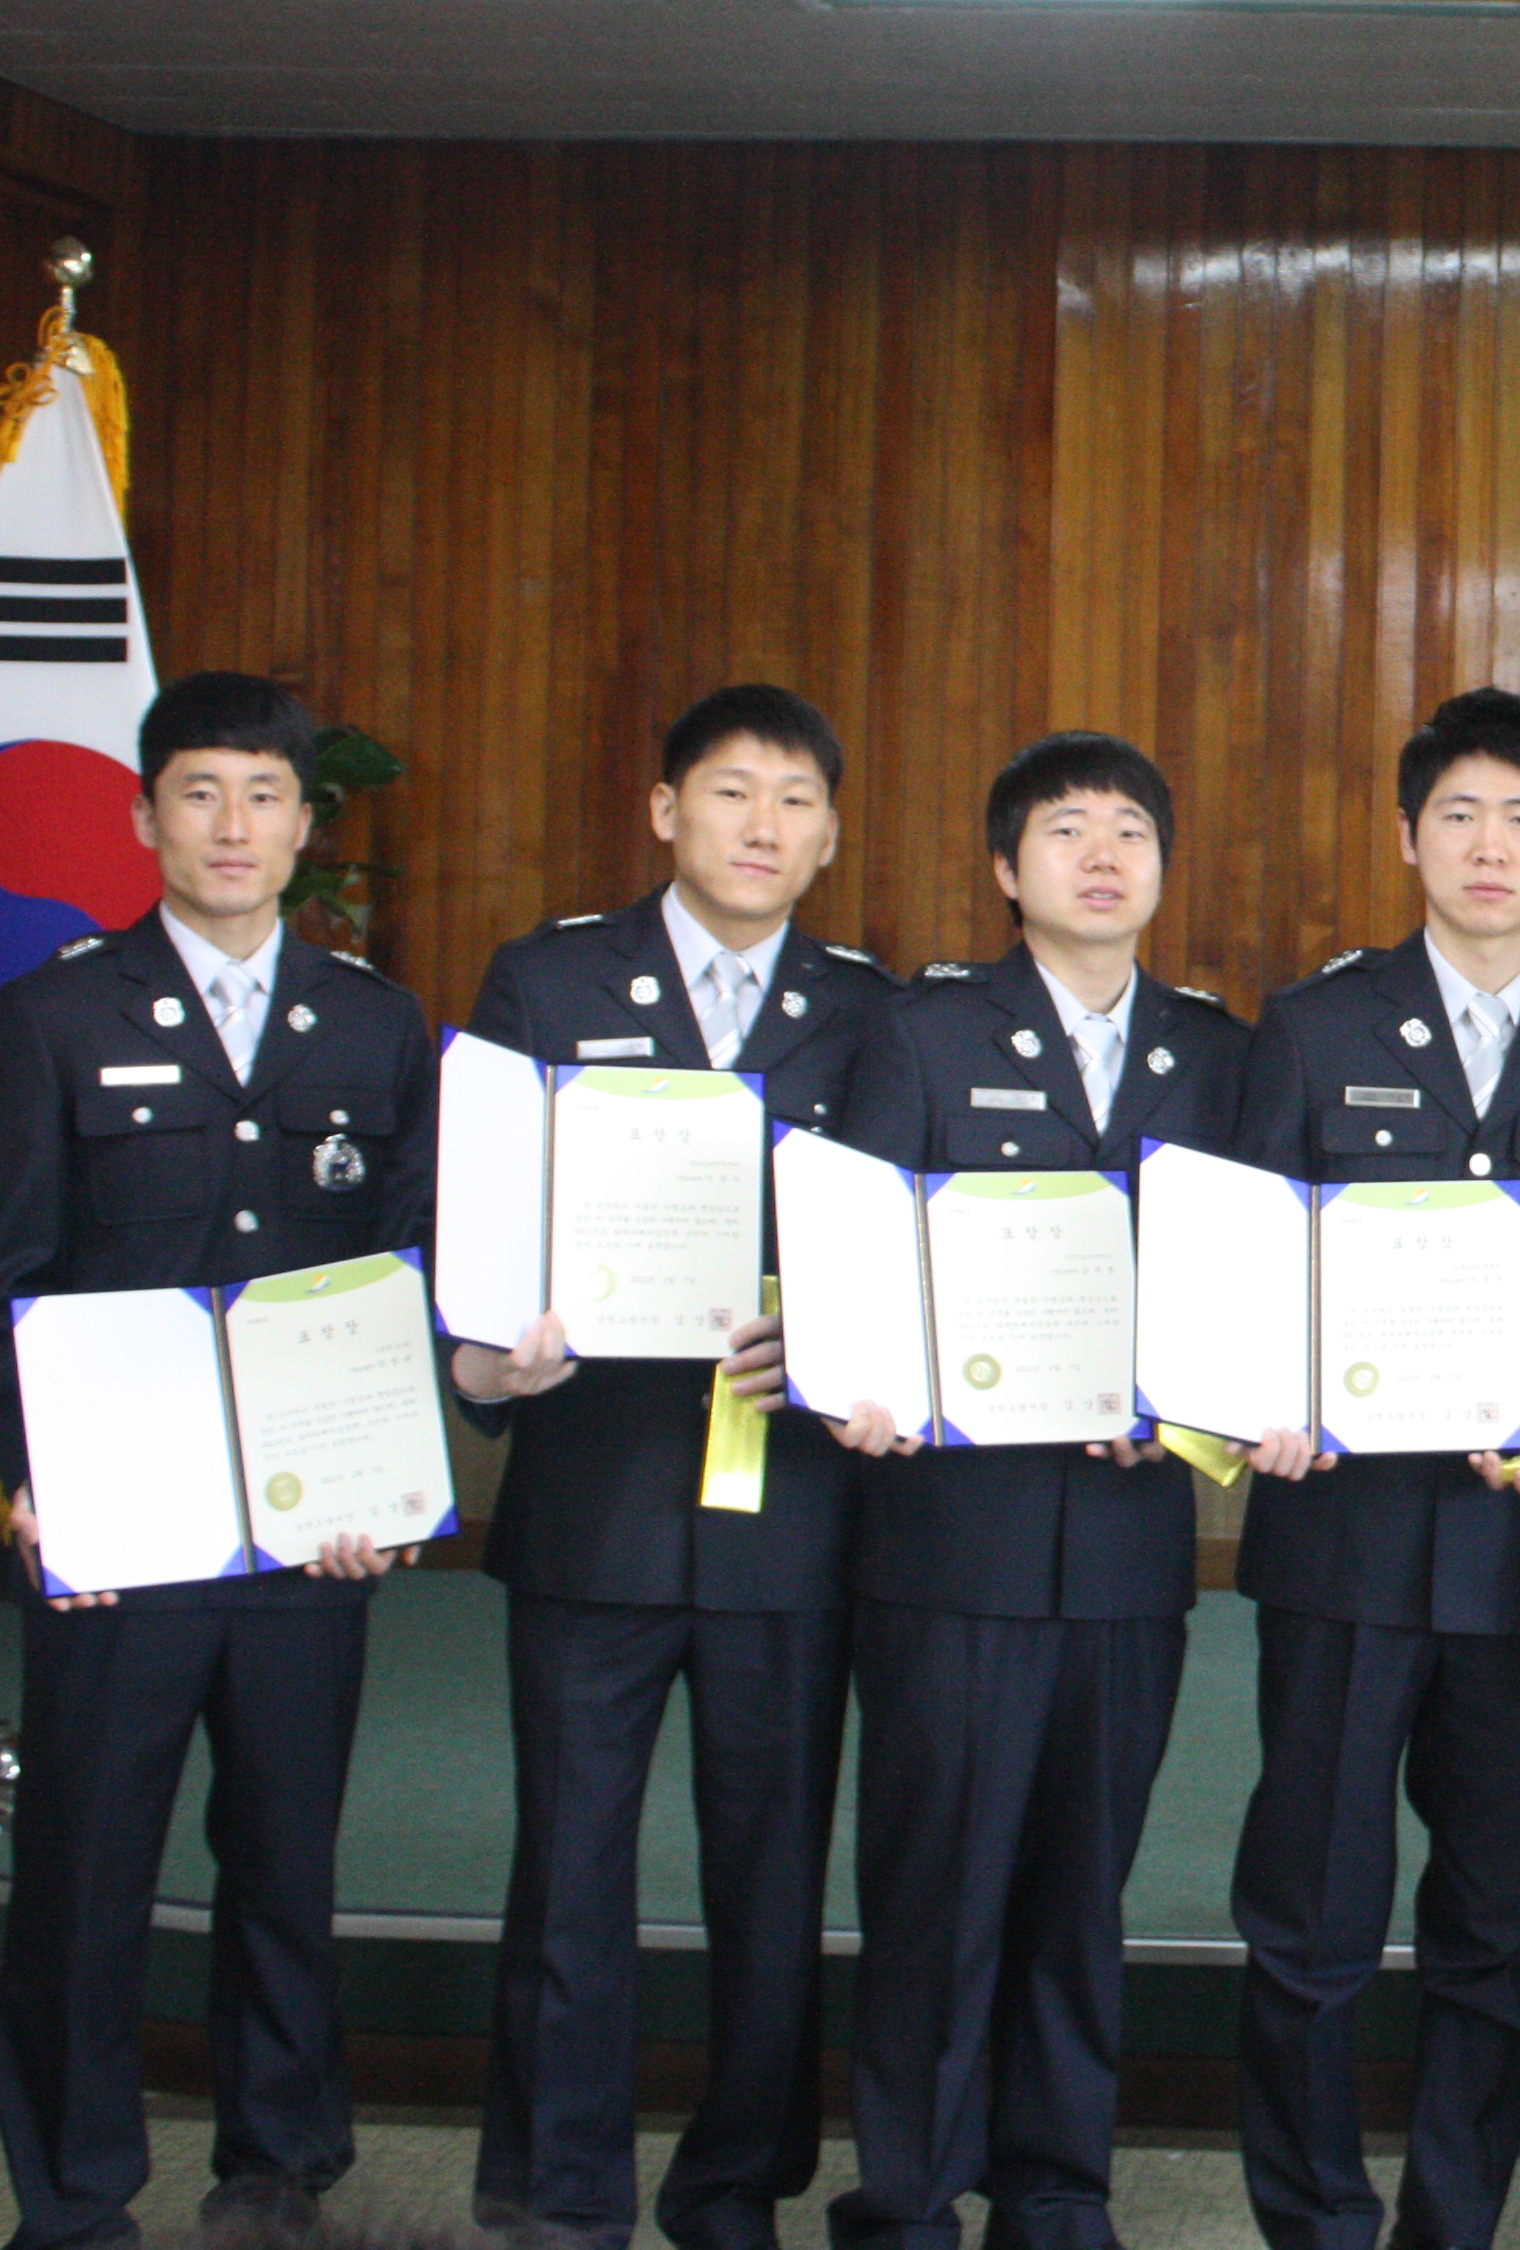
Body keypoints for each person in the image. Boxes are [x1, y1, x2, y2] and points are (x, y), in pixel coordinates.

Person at [0, 670, 437, 2250]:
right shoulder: (56, 1015)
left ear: (307, 825)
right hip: (124, 1529)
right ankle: (73, 2192)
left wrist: (384, 1485)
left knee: (285, 1860)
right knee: (85, 1866)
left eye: (264, 796)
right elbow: (12, 1275)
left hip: (310, 1536)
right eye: (200, 793)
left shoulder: (373, 1022)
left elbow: (399, 1269)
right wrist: (33, 1478)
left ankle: (277, 2166)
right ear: (145, 816)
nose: (234, 826)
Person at [451, 683, 898, 2250]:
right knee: (570, 1866)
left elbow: (892, 1251)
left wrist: (852, 1354)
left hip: (792, 1517)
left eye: (796, 801)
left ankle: (734, 2187)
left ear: (829, 837)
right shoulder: (548, 979)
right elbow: (477, 1227)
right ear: (664, 810)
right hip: (597, 1506)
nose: (763, 825)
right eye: (730, 791)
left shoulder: (873, 1008)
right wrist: (484, 1361)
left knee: (770, 1880)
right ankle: (555, 2191)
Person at [1223, 689, 1520, 2250]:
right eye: (1460, 815)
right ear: (1408, 835)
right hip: (1338, 1546)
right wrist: (1263, 1391)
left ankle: (1452, 2221)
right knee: (1311, 1914)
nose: (1491, 846)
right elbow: (1246, 1271)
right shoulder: (1314, 1026)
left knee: (1492, 1920)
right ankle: (1313, 2220)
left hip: (1509, 1559)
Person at [822, 733, 1247, 2250]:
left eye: (1131, 829)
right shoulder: (921, 1033)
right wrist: (860, 1374)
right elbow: (855, 1260)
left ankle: (1059, 2191)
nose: (1104, 855)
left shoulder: (1217, 1055)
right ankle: (908, 2199)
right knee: (938, 1891)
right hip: (954, 1546)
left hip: (1130, 1552)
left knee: (1082, 1893)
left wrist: (1196, 1409)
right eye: (1068, 829)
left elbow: (1249, 1289)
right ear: (1009, 868)